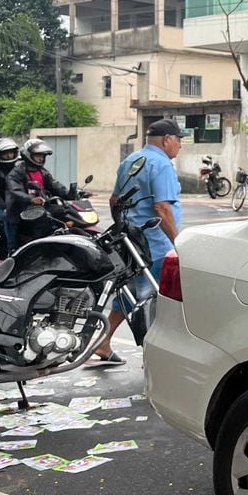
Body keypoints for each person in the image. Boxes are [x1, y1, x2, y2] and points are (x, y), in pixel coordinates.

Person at [96, 119, 187, 362]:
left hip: (131, 243)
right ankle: (153, 357)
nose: (180, 146)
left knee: (131, 293)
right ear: (167, 140)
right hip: (155, 245)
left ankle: (103, 342)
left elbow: (114, 201)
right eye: (178, 140)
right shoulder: (162, 164)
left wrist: (123, 229)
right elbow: (162, 207)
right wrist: (178, 243)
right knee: (152, 301)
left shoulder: (131, 161)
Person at [4, 139, 78, 254]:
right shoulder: (16, 172)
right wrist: (31, 199)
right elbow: (15, 190)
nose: (41, 158)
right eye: (38, 156)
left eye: (43, 156)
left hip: (42, 206)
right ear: (28, 155)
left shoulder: (42, 172)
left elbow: (55, 185)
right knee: (44, 218)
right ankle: (38, 248)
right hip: (21, 209)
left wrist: (71, 193)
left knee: (66, 211)